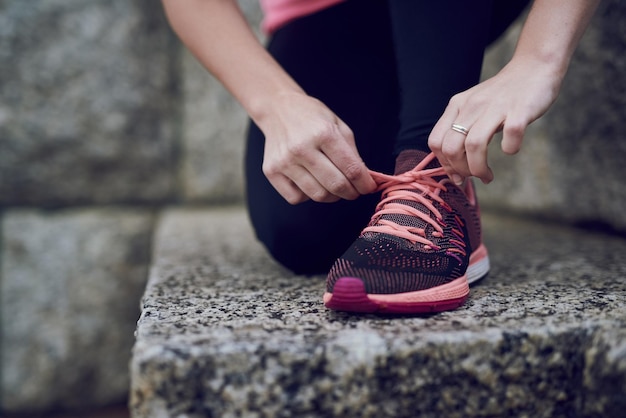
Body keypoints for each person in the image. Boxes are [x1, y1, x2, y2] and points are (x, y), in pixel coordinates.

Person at [161, 0, 600, 314]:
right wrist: (276, 104)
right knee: (303, 230)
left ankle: (434, 180)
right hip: (326, 12)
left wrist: (538, 60)